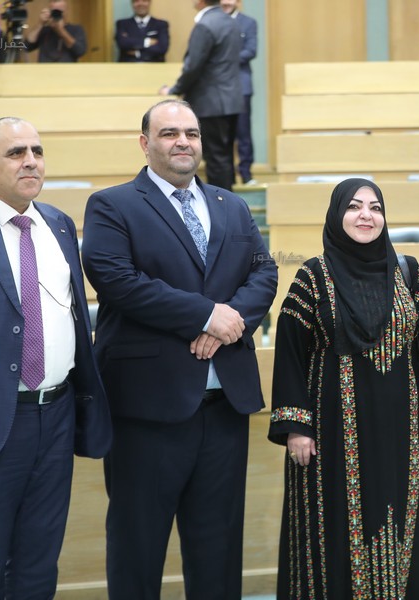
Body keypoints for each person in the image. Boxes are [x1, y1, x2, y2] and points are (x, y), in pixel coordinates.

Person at [81, 99, 277, 599]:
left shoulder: (230, 205)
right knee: (138, 547)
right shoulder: (112, 205)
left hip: (224, 406)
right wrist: (206, 315)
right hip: (147, 410)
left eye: (191, 133)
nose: (183, 142)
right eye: (169, 133)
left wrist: (226, 323)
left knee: (218, 550)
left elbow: (264, 272)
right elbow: (117, 280)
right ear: (145, 143)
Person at [0, 117, 111, 597]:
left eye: (37, 151)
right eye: (16, 153)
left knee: (39, 561)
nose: (30, 161)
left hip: (56, 416)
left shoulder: (59, 224)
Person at [269, 178, 419, 599]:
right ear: (337, 215)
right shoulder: (312, 277)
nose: (366, 216)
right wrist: (296, 426)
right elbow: (290, 354)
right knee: (332, 528)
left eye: (375, 207)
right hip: (332, 435)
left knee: (399, 521)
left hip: (400, 432)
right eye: (354, 207)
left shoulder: (407, 272)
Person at [160, 0, 242, 191]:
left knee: (215, 159)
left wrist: (174, 90)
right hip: (231, 100)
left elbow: (193, 66)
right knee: (225, 156)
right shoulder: (230, 21)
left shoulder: (205, 25)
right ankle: (228, 201)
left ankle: (219, 204)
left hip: (210, 101)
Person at [220, 0, 258, 185]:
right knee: (222, 134)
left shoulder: (248, 22)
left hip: (241, 86)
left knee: (243, 133)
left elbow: (250, 51)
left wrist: (225, 59)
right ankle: (226, 176)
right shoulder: (213, 21)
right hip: (218, 86)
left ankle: (246, 173)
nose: (226, 2)